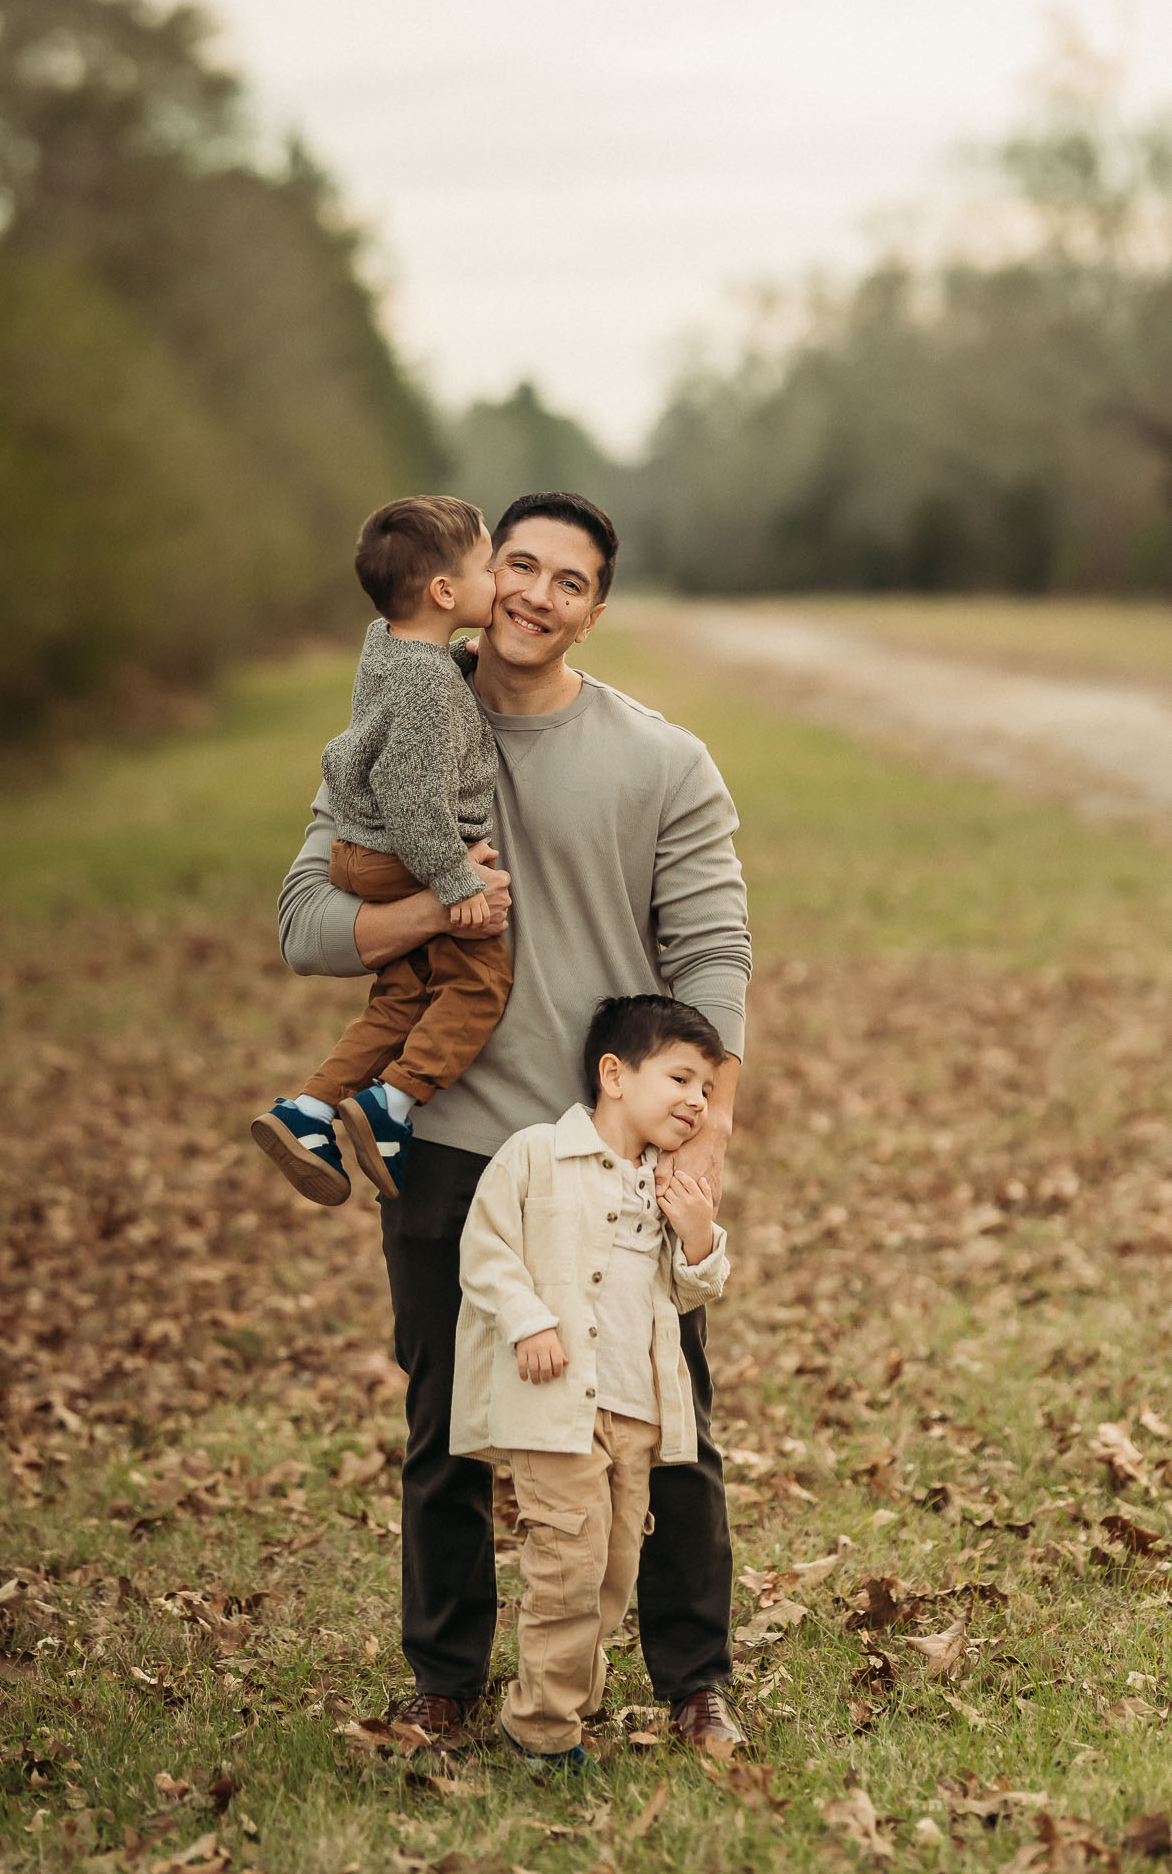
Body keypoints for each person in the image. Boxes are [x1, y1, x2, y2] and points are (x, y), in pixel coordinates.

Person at [279, 489, 750, 1749]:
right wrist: (436, 911)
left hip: (611, 1154)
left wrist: (698, 1134)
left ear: (596, 610)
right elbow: (306, 923)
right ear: (471, 582)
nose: (536, 594)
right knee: (444, 1430)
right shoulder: (399, 724)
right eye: (520, 565)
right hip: (446, 1142)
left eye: (568, 579)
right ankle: (445, 1681)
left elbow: (711, 956)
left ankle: (692, 1676)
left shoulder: (661, 760)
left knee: (661, 1428)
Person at [451, 995, 731, 1771]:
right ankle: (541, 1730)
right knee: (566, 1567)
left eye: (706, 1090)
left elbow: (687, 1290)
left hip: (636, 1414)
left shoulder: (669, 1186)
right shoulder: (536, 1154)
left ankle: (570, 1692)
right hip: (554, 1410)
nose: (696, 1101)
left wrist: (700, 1237)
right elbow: (486, 1249)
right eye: (680, 1078)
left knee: (612, 1572)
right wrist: (528, 1320)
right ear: (614, 1073)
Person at [253, 495, 509, 1204]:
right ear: (445, 591)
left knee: (400, 998)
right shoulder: (428, 684)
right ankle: (390, 1105)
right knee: (477, 984)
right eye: (489, 567)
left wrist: (460, 658)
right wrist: (456, 888)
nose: (499, 584)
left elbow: (411, 696)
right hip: (402, 856)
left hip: (358, 850)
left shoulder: (388, 644)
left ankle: (306, 1112)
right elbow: (411, 798)